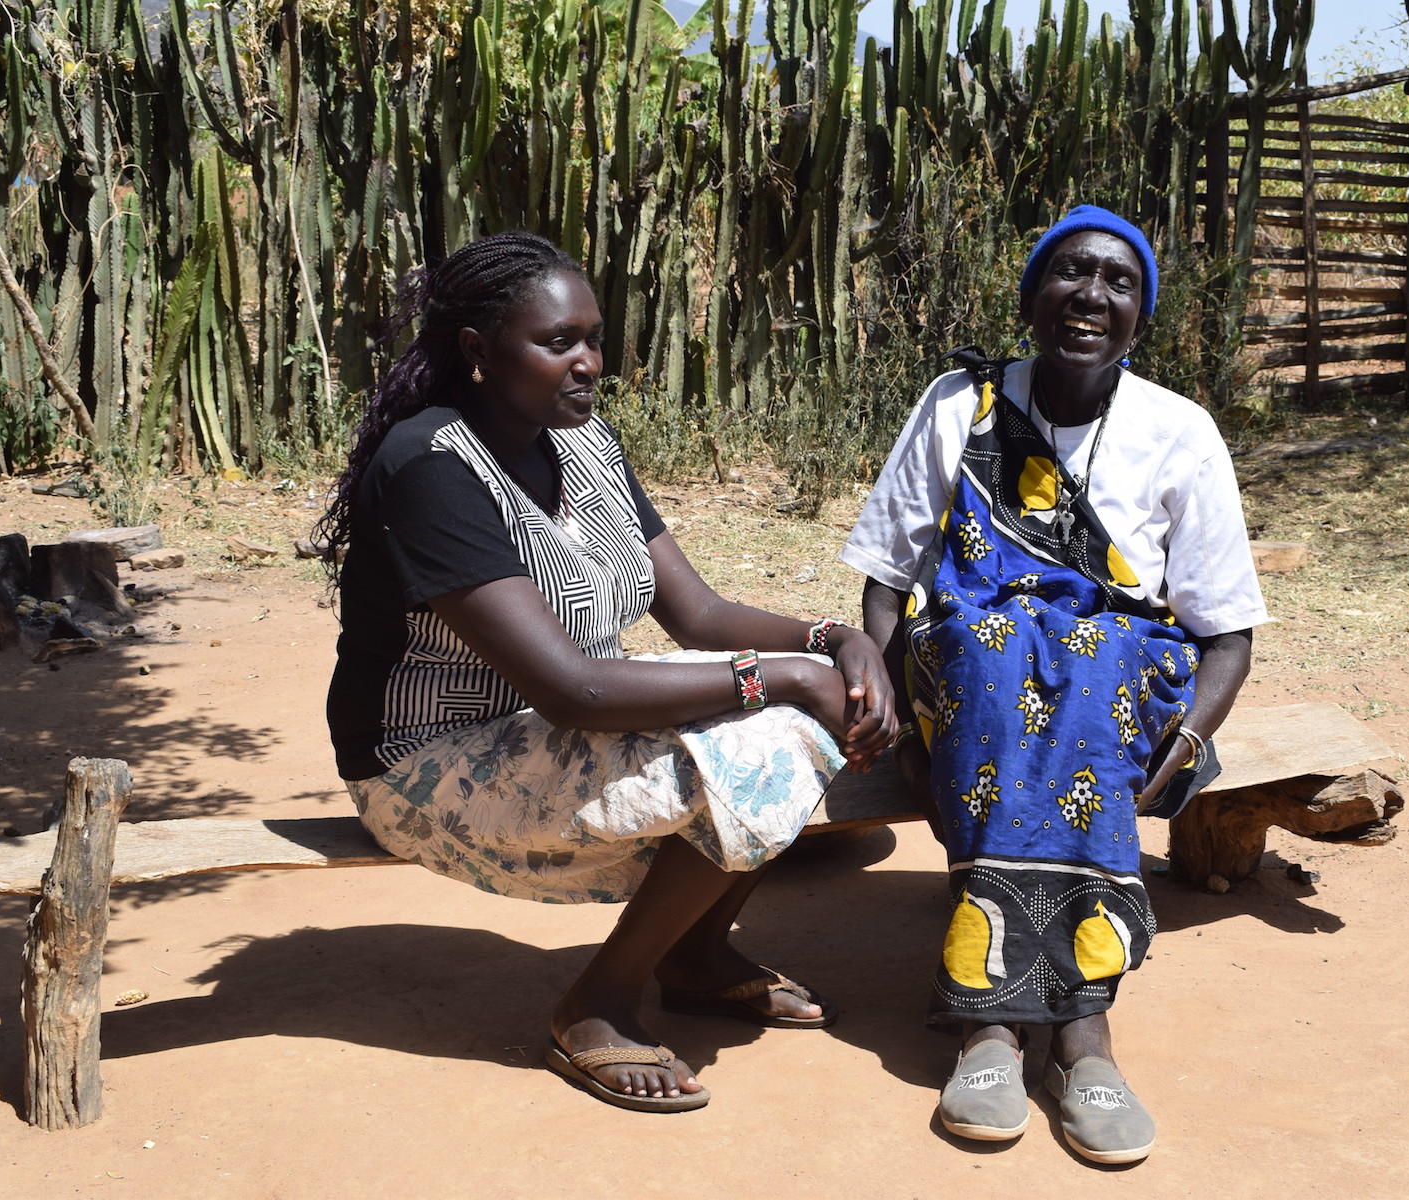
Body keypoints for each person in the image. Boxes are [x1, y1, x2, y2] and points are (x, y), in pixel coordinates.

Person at [317, 232, 894, 1114]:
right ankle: (599, 1002)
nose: (588, 362)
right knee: (767, 739)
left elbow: (696, 615)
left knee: (795, 717)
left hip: (554, 737)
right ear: (477, 351)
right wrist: (784, 678)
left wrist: (831, 639)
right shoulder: (432, 466)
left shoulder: (584, 444)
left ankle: (696, 956)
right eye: (559, 342)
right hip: (427, 768)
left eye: (593, 337)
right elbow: (571, 688)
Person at [841, 205, 1269, 1162]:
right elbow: (886, 584)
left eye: (1120, 283)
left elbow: (1227, 636)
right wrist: (909, 723)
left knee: (1084, 668)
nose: (1094, 296)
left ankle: (1070, 1029)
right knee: (998, 657)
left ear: (1141, 315)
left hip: (1120, 685)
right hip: (972, 673)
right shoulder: (963, 404)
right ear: (1033, 295)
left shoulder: (1178, 430)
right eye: (1072, 273)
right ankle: (1009, 1028)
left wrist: (1189, 745)